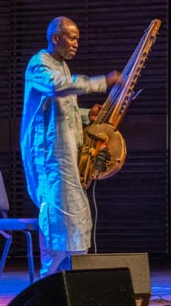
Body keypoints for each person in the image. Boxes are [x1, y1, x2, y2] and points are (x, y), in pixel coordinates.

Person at [20, 16, 120, 277]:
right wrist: (102, 81)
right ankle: (47, 283)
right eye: (72, 38)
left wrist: (87, 115)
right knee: (58, 221)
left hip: (66, 159)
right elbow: (56, 88)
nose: (76, 43)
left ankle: (70, 282)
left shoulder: (62, 67)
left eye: (78, 39)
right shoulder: (39, 64)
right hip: (50, 159)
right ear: (56, 38)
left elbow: (65, 111)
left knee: (77, 220)